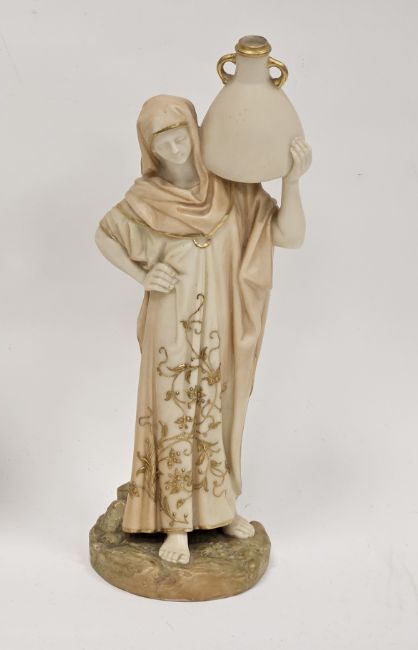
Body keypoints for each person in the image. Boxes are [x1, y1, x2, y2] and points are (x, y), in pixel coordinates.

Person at [95, 95, 311, 564]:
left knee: (219, 409)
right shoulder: (145, 200)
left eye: (180, 136)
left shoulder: (233, 191)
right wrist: (142, 275)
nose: (175, 149)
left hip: (221, 324)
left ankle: (220, 507)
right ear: (148, 149)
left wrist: (291, 182)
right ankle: (175, 524)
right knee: (175, 412)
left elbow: (290, 236)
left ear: (195, 133)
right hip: (170, 325)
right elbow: (105, 235)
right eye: (163, 142)